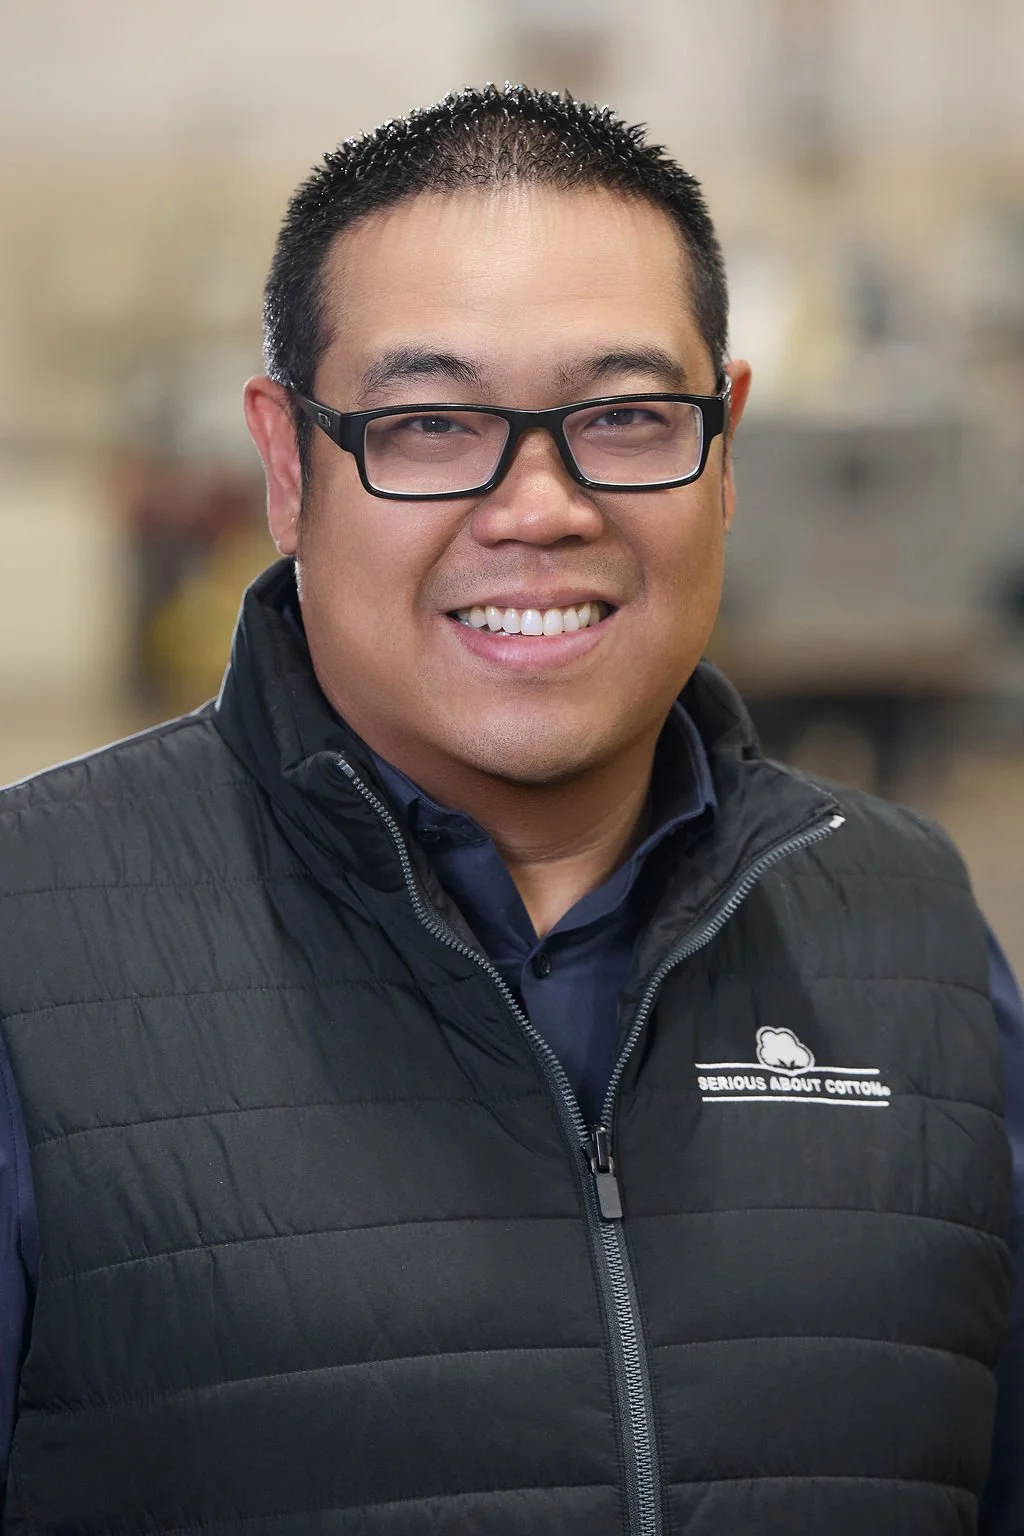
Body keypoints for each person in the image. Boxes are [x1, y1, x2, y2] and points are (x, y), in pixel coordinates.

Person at [0, 84, 1020, 1536]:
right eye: (428, 423)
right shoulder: (27, 951)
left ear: (723, 446)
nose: (538, 505)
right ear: (289, 466)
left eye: (622, 415)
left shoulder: (915, 934)